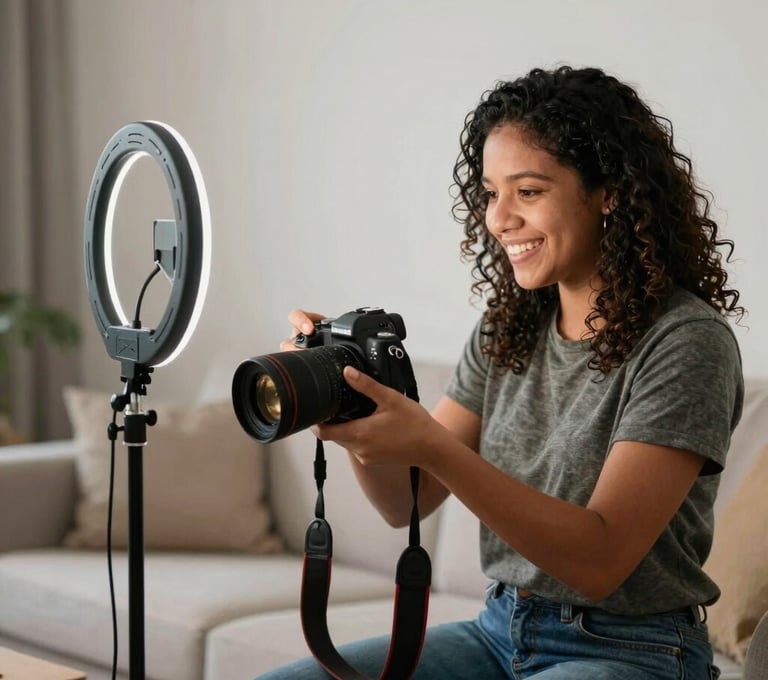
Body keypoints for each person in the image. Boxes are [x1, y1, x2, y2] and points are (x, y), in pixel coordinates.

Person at [259, 65, 744, 679]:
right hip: (498, 631)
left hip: (634, 651)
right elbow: (407, 500)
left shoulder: (685, 341)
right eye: (490, 192)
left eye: (529, 191)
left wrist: (432, 446)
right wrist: (350, 407)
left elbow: (600, 559)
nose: (498, 219)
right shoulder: (508, 327)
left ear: (609, 192)